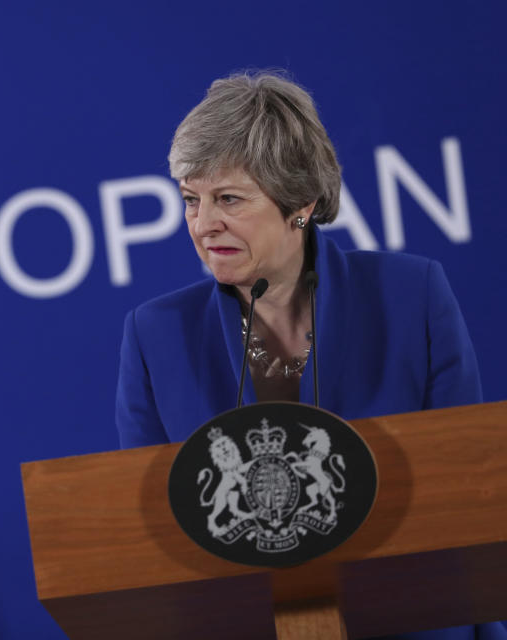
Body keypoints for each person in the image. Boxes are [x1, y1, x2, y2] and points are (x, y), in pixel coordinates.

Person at [115, 71, 498, 640]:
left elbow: (471, 495)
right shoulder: (155, 334)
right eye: (191, 200)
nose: (202, 224)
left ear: (300, 202)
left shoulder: (412, 295)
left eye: (229, 199)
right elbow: (154, 538)